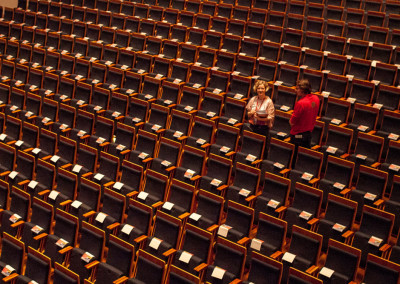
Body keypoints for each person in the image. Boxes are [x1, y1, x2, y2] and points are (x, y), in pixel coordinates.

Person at [246, 80, 275, 157]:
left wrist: (260, 119)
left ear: (266, 89)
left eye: (262, 88)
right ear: (256, 89)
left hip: (263, 129)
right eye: (258, 88)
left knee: (262, 150)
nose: (260, 90)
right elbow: (247, 115)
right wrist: (251, 113)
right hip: (253, 127)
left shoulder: (269, 101)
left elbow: (270, 117)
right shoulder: (253, 99)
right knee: (252, 147)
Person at [289, 79, 320, 149]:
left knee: (294, 156)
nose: (295, 90)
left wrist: (291, 122)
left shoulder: (301, 103)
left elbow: (292, 122)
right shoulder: (316, 98)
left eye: (297, 88)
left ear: (302, 90)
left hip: (298, 136)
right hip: (308, 135)